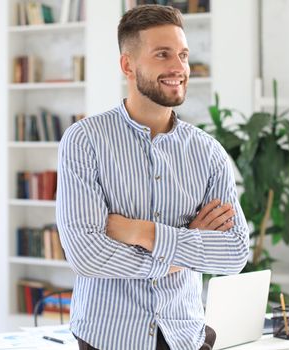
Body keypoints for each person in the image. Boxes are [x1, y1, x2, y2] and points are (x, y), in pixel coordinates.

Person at [56, 4, 249, 350]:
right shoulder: (84, 141)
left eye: (183, 55)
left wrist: (139, 231)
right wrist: (185, 249)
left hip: (185, 337)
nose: (179, 68)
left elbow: (234, 252)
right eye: (163, 54)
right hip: (108, 339)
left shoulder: (208, 152)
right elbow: (85, 255)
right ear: (128, 65)